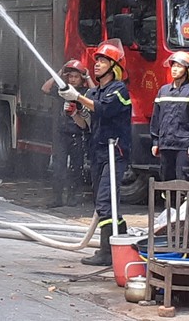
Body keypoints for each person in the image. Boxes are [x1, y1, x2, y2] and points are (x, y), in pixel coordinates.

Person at [58, 39, 131, 266]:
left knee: (105, 201)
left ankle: (106, 251)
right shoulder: (94, 91)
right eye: (97, 60)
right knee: (106, 203)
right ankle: (119, 245)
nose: (97, 65)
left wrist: (78, 97)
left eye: (102, 61)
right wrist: (74, 113)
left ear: (114, 66)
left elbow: (104, 110)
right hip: (98, 151)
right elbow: (86, 124)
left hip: (114, 151)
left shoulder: (118, 90)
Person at [41, 59, 94, 208]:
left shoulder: (84, 93)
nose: (72, 79)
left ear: (81, 79)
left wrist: (88, 77)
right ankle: (57, 197)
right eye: (70, 76)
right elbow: (45, 89)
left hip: (78, 134)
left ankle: (73, 197)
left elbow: (96, 95)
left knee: (76, 168)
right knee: (58, 167)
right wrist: (58, 74)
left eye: (76, 77)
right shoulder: (63, 90)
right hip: (61, 134)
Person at [150, 52, 189, 183]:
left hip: (184, 145)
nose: (175, 69)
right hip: (165, 144)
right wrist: (155, 142)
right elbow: (156, 118)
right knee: (166, 178)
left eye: (179, 66)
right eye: (173, 66)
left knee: (183, 178)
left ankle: (182, 203)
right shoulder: (163, 91)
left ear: (187, 70)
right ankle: (168, 204)